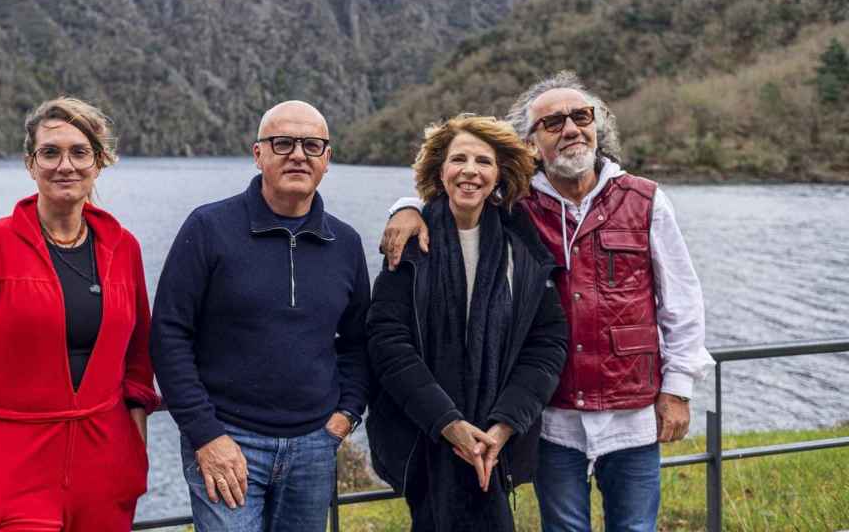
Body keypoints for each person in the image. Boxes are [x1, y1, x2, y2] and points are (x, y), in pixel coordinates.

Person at [382, 72, 715, 532]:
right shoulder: (516, 205)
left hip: (633, 409)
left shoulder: (646, 199)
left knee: (636, 528)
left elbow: (682, 298)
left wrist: (678, 388)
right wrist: (407, 207)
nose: (571, 129)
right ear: (532, 143)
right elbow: (459, 187)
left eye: (581, 116)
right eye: (553, 122)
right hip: (554, 413)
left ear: (598, 127)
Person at [0, 97, 160, 532]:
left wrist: (134, 442)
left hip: (105, 471)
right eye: (50, 152)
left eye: (79, 152)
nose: (64, 165)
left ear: (99, 163)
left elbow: (138, 360)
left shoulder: (123, 248)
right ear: (30, 164)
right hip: (12, 470)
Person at [150, 100, 372, 532]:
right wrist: (205, 434)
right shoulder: (207, 228)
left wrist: (344, 418)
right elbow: (169, 334)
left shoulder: (344, 243)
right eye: (283, 142)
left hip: (314, 445)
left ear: (327, 159)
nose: (297, 154)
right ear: (258, 154)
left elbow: (359, 341)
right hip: (228, 440)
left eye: (312, 145)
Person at [367, 114, 569, 531]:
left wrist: (506, 424)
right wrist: (447, 423)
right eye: (459, 159)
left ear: (499, 176)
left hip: (498, 438)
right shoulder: (409, 246)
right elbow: (387, 340)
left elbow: (547, 343)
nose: (471, 171)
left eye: (484, 161)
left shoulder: (522, 252)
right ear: (440, 172)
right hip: (425, 438)